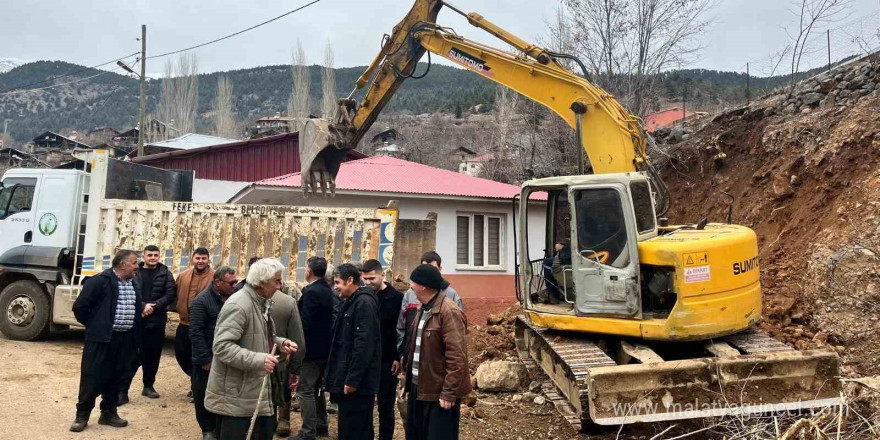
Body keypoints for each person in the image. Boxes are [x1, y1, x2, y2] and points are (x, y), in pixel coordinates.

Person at [205, 258, 298, 440]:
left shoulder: (260, 301)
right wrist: (259, 360)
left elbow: (257, 336)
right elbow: (222, 347)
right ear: (262, 283)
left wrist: (279, 343)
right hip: (237, 399)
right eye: (277, 281)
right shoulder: (239, 304)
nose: (280, 285)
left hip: (254, 393)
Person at [69, 250, 143, 432]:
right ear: (122, 265)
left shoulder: (135, 283)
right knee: (91, 376)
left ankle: (109, 412)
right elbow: (80, 307)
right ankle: (82, 415)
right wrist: (95, 326)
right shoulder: (99, 281)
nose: (137, 266)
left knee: (117, 376)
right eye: (134, 263)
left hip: (125, 338)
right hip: (101, 339)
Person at [401, 264, 471, 440]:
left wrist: (448, 392)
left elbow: (457, 356)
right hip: (420, 388)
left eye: (413, 282)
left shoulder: (449, 311)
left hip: (438, 392)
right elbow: (416, 349)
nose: (410, 286)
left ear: (423, 286)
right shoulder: (423, 309)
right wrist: (409, 384)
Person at [325, 263, 381, 440]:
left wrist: (352, 379)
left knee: (355, 429)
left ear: (350, 280)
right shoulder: (352, 301)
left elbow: (363, 346)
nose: (335, 287)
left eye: (338, 282)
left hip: (358, 385)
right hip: (351, 381)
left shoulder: (363, 303)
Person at [120, 244, 176, 404]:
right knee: (131, 357)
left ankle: (148, 386)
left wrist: (154, 307)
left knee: (152, 356)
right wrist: (142, 305)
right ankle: (123, 391)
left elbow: (170, 294)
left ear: (159, 257)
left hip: (156, 321)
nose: (153, 258)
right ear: (143, 256)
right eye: (149, 255)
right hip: (136, 320)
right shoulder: (134, 272)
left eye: (155, 255)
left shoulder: (165, 273)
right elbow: (128, 290)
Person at [189, 266, 238, 440]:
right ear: (218, 283)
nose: (235, 285)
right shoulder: (201, 301)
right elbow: (195, 333)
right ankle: (207, 429)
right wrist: (205, 360)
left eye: (236, 282)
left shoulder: (233, 298)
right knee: (203, 394)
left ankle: (220, 427)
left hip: (226, 357)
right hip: (207, 359)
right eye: (232, 282)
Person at [360, 259, 403, 440]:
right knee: (366, 405)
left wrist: (397, 357)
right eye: (365, 279)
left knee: (386, 405)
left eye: (372, 279)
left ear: (383, 275)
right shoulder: (362, 297)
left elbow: (400, 330)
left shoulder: (397, 298)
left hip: (387, 361)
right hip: (367, 360)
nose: (368, 283)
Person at [397, 251, 463, 362]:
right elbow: (401, 327)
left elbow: (456, 343)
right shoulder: (410, 294)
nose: (428, 272)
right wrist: (402, 353)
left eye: (432, 268)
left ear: (440, 269)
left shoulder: (452, 297)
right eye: (424, 268)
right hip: (412, 361)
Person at [296, 257, 334, 439]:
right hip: (325, 349)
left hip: (310, 351)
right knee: (317, 389)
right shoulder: (328, 290)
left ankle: (308, 432)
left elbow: (305, 323)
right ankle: (321, 425)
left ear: (309, 271)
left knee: (305, 390)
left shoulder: (311, 292)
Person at [271, 276, 307, 438]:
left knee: (281, 385)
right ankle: (281, 419)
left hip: (280, 351)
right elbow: (298, 339)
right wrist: (296, 367)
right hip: (279, 353)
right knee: (282, 385)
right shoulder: (287, 301)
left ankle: (282, 418)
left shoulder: (287, 300)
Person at [175, 247, 215, 385]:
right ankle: (194, 378)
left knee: (201, 357)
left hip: (204, 326)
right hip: (185, 324)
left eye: (203, 258)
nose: (200, 261)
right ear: (193, 259)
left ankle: (197, 385)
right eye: (198, 258)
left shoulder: (215, 277)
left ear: (208, 259)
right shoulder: (183, 276)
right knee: (181, 354)